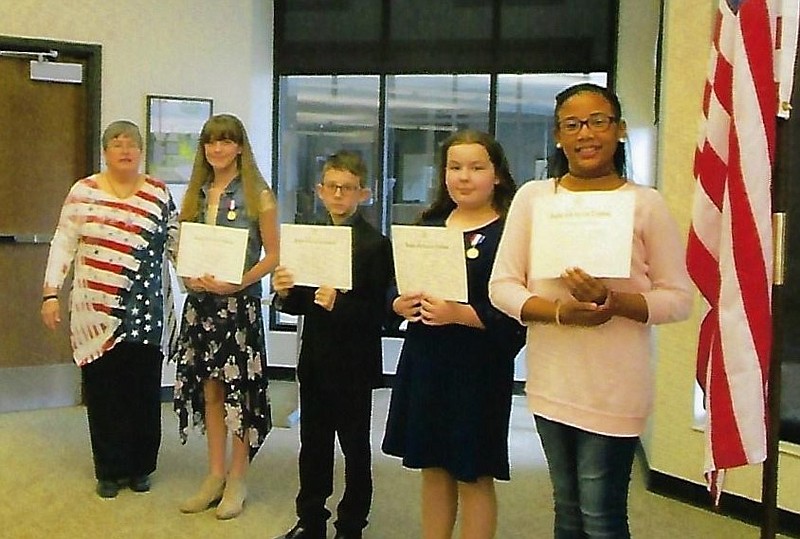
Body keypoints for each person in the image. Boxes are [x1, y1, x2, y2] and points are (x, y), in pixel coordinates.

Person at [488, 83, 693, 538]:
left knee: (601, 516)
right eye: (572, 124)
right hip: (551, 381)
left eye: (598, 121)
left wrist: (614, 301)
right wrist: (561, 313)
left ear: (619, 129)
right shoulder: (534, 199)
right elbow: (501, 287)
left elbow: (678, 299)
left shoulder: (645, 203)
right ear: (558, 136)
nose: (586, 133)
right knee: (567, 511)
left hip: (615, 385)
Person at [382, 130, 525, 539]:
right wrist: (398, 304)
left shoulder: (510, 232)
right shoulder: (429, 223)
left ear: (496, 174)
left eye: (477, 167)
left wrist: (460, 314)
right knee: (433, 466)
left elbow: (517, 314)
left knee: (473, 472)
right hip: (426, 360)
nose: (464, 177)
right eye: (455, 167)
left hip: (478, 368)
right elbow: (395, 284)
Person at [41, 120, 178, 499]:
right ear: (106, 152)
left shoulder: (158, 193)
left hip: (146, 309)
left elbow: (176, 244)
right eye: (116, 144)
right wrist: (50, 292)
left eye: (131, 143)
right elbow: (63, 242)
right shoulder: (83, 192)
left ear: (140, 151)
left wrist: (201, 280)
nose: (125, 150)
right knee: (104, 390)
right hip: (95, 310)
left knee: (143, 389)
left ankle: (140, 467)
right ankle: (109, 468)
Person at [271, 150, 394, 539]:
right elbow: (299, 302)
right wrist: (284, 293)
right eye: (332, 187)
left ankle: (351, 525)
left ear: (364, 194)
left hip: (355, 363)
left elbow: (384, 313)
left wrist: (340, 303)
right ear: (319, 191)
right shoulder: (311, 236)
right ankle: (310, 521)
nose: (339, 195)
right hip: (316, 359)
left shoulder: (376, 245)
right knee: (314, 445)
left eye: (348, 188)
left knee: (355, 447)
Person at [173, 114, 279, 520]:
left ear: (239, 147)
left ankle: (238, 478)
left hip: (239, 307)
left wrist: (238, 283)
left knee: (240, 395)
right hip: (201, 307)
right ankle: (214, 474)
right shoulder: (196, 194)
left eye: (225, 142)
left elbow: (273, 255)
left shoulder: (258, 193)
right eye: (210, 142)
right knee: (210, 391)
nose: (217, 149)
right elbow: (184, 247)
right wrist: (189, 276)